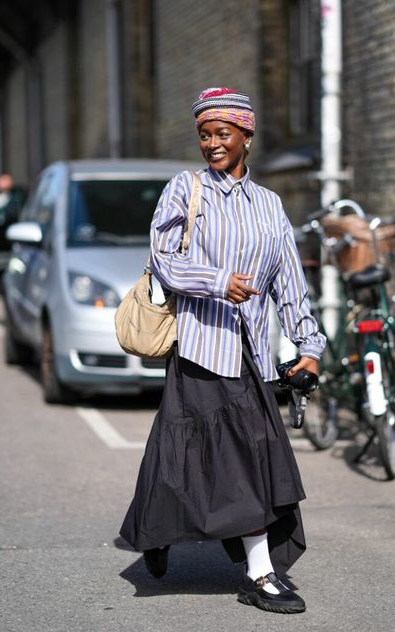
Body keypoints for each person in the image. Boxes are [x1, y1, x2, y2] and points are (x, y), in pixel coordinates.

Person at [120, 87, 326, 614]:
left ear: (246, 136)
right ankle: (259, 573)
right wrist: (216, 281)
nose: (212, 143)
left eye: (222, 134)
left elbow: (289, 281)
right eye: (204, 135)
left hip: (251, 354)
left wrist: (308, 344)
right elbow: (163, 258)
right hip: (200, 348)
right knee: (226, 459)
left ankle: (158, 531)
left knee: (217, 455)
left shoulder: (269, 204)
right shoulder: (185, 190)